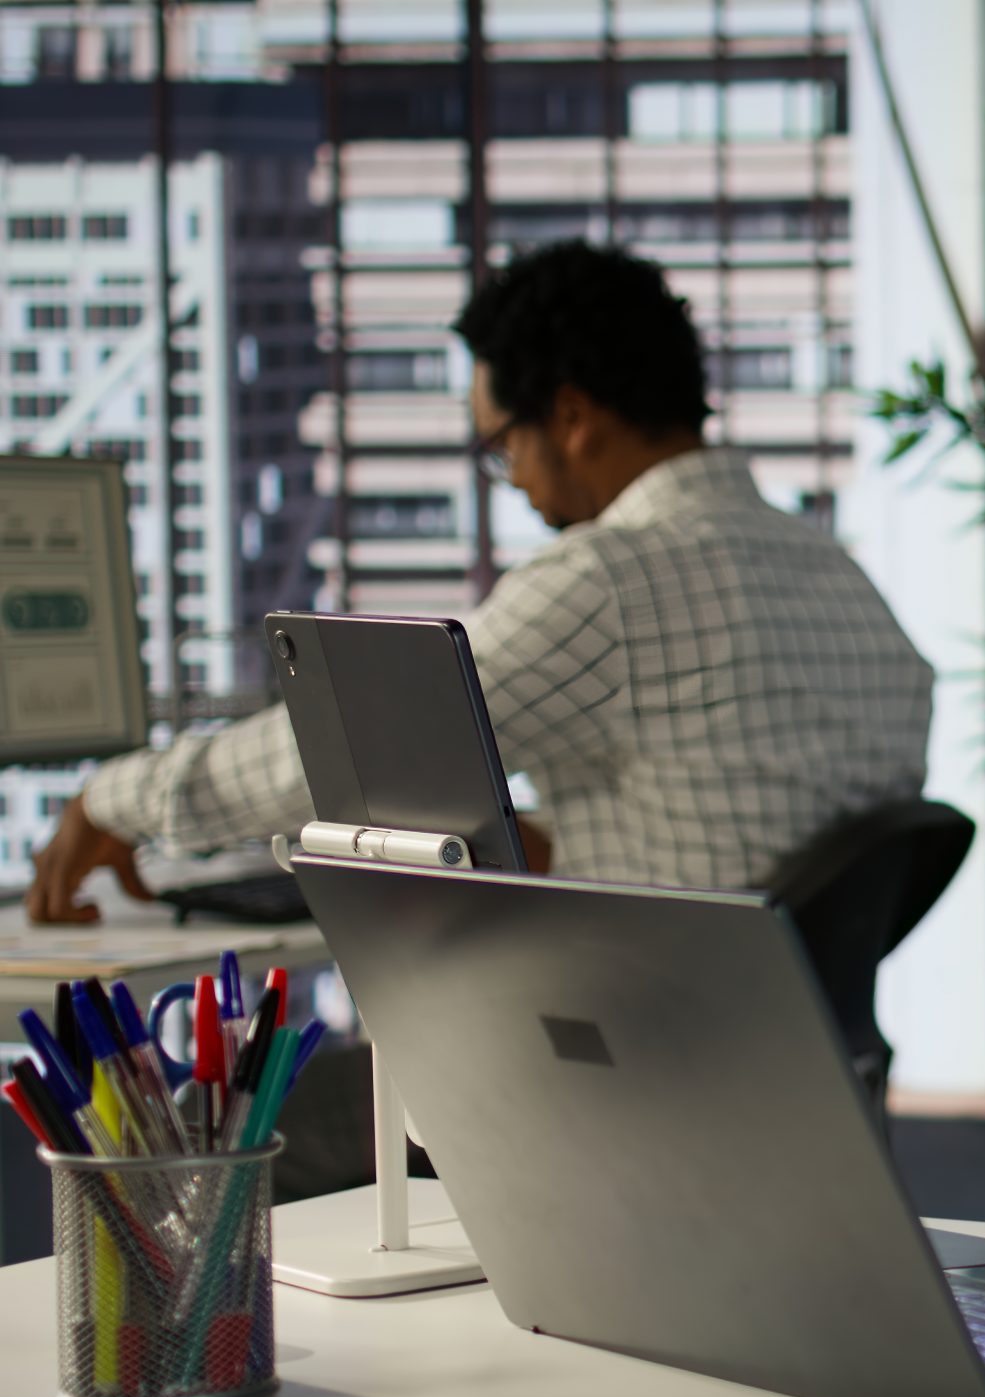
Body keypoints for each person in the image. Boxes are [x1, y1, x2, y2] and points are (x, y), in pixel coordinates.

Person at [27, 241, 933, 921]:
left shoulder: (609, 582)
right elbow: (744, 844)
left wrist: (117, 796)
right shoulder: (846, 583)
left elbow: (340, 750)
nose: (518, 485)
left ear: (571, 416)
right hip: (791, 1075)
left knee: (249, 1128)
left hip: (632, 1077)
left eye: (503, 448)